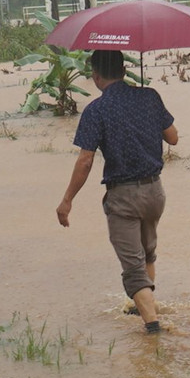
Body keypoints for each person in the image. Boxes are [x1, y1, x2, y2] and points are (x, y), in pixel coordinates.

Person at [55, 49, 178, 333]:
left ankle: (154, 330)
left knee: (133, 270)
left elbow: (85, 160)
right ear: (124, 71)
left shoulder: (96, 110)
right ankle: (141, 307)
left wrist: (67, 201)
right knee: (147, 255)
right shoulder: (150, 96)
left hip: (123, 197)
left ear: (96, 76)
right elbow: (172, 137)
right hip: (155, 193)